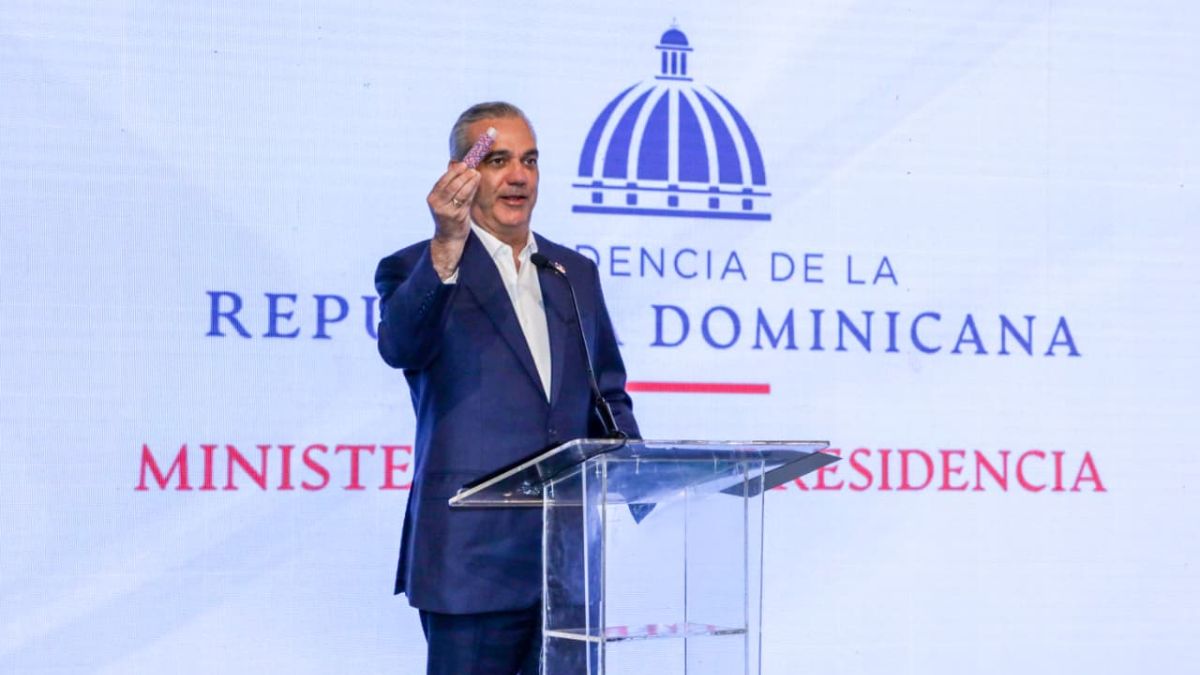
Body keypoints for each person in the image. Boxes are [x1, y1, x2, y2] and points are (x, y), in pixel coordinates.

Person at [374, 101, 640, 675]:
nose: (519, 176)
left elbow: (607, 392)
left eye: (530, 160)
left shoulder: (572, 272)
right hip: (471, 560)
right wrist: (446, 244)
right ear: (461, 173)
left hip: (566, 564)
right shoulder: (418, 267)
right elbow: (400, 347)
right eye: (498, 160)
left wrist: (642, 476)